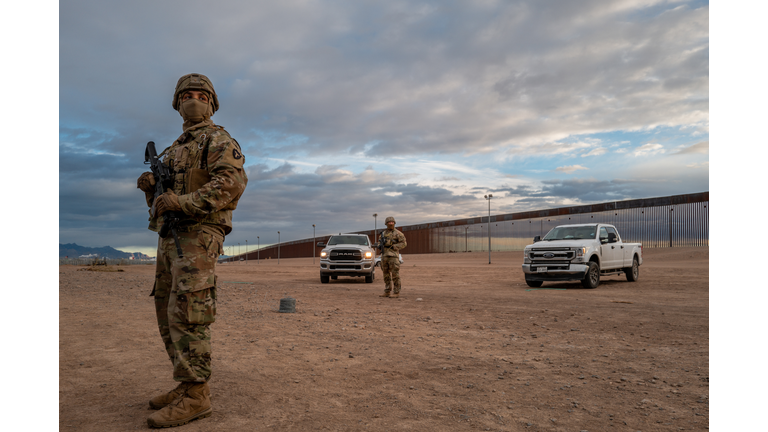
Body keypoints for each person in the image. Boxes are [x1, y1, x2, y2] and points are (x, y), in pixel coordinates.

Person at [136, 73, 248, 428]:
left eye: (200, 95)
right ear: (177, 104)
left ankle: (197, 396)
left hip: (199, 235)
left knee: (189, 311)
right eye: (186, 95)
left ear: (211, 103)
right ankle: (186, 384)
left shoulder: (218, 139)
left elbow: (230, 184)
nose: (193, 100)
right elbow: (161, 205)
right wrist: (151, 191)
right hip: (171, 237)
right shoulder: (174, 149)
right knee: (167, 310)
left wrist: (181, 201)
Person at [378, 216, 407, 298]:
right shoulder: (383, 234)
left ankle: (396, 291)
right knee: (385, 274)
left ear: (394, 223)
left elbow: (404, 243)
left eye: (392, 222)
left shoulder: (398, 233)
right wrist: (379, 246)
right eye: (389, 222)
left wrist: (394, 246)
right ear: (386, 224)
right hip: (384, 256)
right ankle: (387, 290)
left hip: (393, 256)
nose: (391, 224)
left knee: (395, 274)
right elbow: (380, 243)